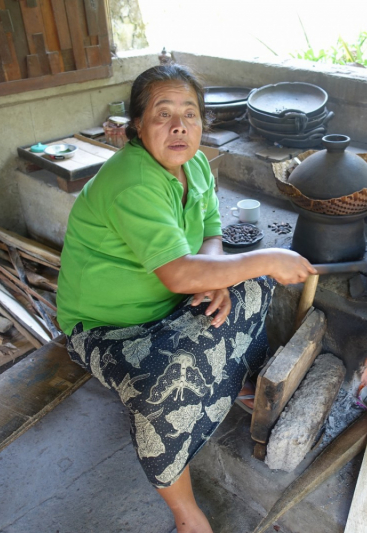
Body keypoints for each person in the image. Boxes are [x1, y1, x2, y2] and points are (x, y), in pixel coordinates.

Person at [56, 64, 316, 533]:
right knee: (166, 381)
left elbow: (212, 232)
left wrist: (214, 276)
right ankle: (185, 512)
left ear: (202, 123)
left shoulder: (193, 163)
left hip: (171, 305)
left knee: (252, 288)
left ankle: (229, 380)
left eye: (190, 114)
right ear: (137, 125)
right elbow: (178, 272)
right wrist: (267, 257)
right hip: (107, 326)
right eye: (163, 114)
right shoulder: (133, 180)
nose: (179, 126)